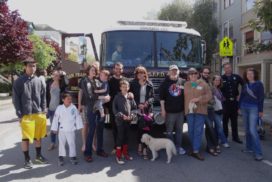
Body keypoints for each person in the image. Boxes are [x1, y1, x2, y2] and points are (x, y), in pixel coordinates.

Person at [12, 58, 48, 169]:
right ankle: (27, 160)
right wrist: (19, 114)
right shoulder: (19, 81)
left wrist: (43, 110)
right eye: (30, 66)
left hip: (38, 113)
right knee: (26, 138)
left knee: (38, 137)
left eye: (34, 66)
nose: (32, 68)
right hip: (25, 114)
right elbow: (15, 99)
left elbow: (43, 96)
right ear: (25, 67)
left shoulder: (38, 81)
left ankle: (38, 156)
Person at [78, 65, 110, 162]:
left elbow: (105, 90)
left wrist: (108, 96)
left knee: (100, 129)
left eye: (95, 70)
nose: (93, 72)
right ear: (88, 71)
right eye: (92, 70)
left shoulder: (97, 80)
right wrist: (103, 98)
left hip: (100, 108)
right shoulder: (85, 81)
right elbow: (90, 96)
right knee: (91, 129)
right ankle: (87, 153)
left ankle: (99, 150)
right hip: (91, 108)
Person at [184, 68, 212, 161]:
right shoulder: (186, 84)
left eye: (194, 73)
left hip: (200, 110)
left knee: (198, 131)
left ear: (198, 74)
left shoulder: (203, 84)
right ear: (188, 76)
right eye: (190, 74)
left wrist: (199, 99)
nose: (192, 75)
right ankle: (194, 148)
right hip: (189, 111)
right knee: (191, 130)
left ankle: (195, 151)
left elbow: (209, 96)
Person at [159, 64, 186, 155]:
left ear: (178, 71)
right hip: (170, 112)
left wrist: (200, 85)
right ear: (169, 72)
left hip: (181, 111)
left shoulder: (183, 82)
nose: (174, 72)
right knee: (169, 131)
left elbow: (193, 87)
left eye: (176, 70)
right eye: (172, 70)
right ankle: (171, 147)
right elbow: (162, 99)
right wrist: (163, 110)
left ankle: (178, 147)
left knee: (179, 131)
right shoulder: (164, 83)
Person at [239, 68, 264, 161]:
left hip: (254, 108)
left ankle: (258, 153)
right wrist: (239, 107)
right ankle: (249, 148)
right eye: (247, 74)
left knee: (253, 130)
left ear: (254, 75)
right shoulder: (245, 85)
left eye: (251, 74)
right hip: (244, 107)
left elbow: (261, 98)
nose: (249, 75)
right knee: (247, 129)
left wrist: (260, 111)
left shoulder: (259, 84)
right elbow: (242, 96)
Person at [51, 93, 83, 166]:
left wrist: (79, 126)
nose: (70, 100)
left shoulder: (73, 107)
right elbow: (55, 118)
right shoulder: (59, 108)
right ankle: (61, 157)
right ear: (63, 100)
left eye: (70, 99)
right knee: (62, 143)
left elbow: (77, 117)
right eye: (68, 99)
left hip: (71, 129)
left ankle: (73, 156)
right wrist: (54, 128)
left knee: (72, 143)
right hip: (62, 129)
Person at [129, 66, 154, 160]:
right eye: (138, 73)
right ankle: (141, 146)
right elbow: (130, 96)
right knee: (140, 127)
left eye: (142, 73)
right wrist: (138, 103)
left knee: (147, 129)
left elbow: (152, 97)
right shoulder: (133, 83)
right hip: (137, 109)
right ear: (136, 74)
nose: (140, 75)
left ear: (145, 74)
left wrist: (147, 103)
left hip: (147, 109)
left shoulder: (149, 84)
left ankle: (145, 147)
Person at [112, 80, 137, 164]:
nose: (125, 88)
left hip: (128, 121)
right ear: (120, 88)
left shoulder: (130, 97)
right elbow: (115, 109)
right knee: (120, 137)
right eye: (123, 87)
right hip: (120, 121)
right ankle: (118, 156)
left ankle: (125, 153)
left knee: (126, 137)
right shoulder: (117, 97)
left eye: (126, 87)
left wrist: (132, 116)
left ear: (128, 88)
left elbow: (134, 108)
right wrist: (122, 116)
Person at [107, 62, 128, 153]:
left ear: (122, 70)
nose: (118, 70)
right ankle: (116, 147)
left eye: (120, 69)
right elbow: (107, 94)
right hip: (113, 108)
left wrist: (130, 94)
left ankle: (124, 147)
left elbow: (129, 92)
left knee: (124, 128)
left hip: (124, 108)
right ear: (114, 69)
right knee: (115, 128)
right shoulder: (110, 81)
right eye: (116, 68)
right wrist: (107, 108)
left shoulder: (125, 80)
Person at [221, 63, 244, 144]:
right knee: (225, 121)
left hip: (234, 102)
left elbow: (244, 84)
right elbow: (215, 88)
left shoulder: (236, 77)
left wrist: (240, 96)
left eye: (229, 67)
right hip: (225, 103)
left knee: (234, 121)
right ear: (224, 69)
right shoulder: (221, 78)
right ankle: (225, 137)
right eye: (226, 68)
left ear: (231, 68)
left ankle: (235, 137)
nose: (228, 69)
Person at [200, 68, 220, 156]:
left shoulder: (210, 82)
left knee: (209, 128)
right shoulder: (198, 82)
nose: (206, 74)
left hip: (211, 108)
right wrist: (209, 99)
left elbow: (212, 93)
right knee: (210, 127)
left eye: (208, 73)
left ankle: (210, 147)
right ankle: (215, 144)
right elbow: (198, 95)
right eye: (205, 72)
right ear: (201, 73)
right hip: (204, 108)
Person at [212, 75, 230, 148]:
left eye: (219, 80)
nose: (217, 81)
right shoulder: (212, 89)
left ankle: (216, 141)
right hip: (215, 110)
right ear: (213, 81)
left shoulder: (218, 89)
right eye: (216, 80)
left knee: (217, 127)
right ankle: (224, 141)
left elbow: (222, 99)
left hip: (220, 110)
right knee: (219, 127)